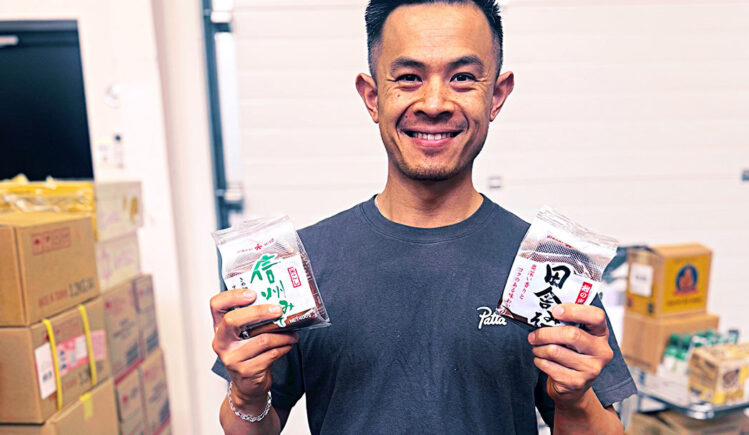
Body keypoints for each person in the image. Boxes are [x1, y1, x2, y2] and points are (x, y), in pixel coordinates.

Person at [209, 1, 637, 433]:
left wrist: (576, 401)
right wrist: (246, 394)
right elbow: (250, 426)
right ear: (372, 97)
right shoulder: (298, 267)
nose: (434, 103)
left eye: (463, 78)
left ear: (497, 95)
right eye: (409, 78)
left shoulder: (548, 270)